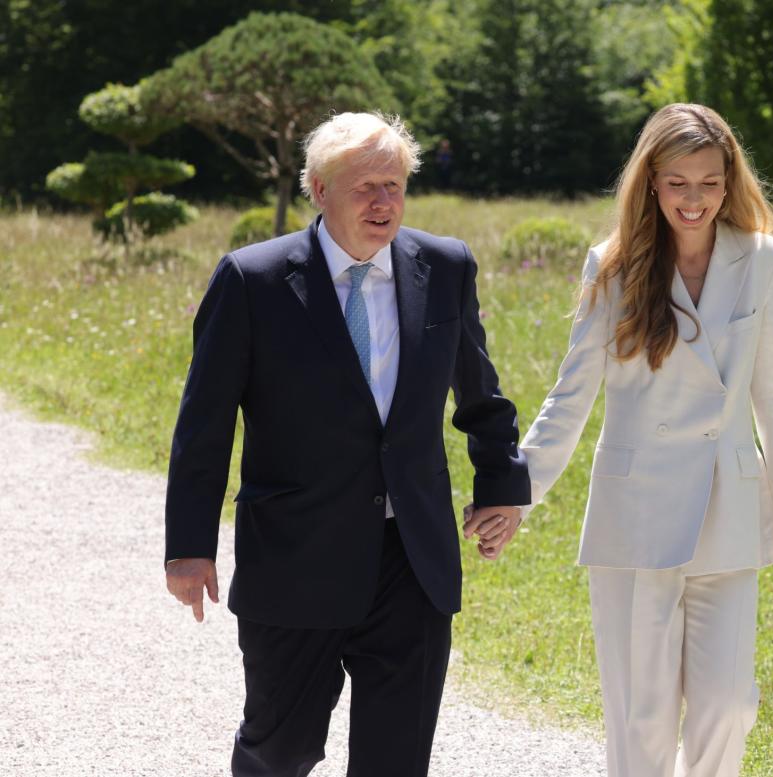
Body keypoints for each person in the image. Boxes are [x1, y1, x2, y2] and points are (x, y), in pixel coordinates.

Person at [163, 112, 529, 777]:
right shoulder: (253, 280)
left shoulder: (444, 267)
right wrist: (189, 545)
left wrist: (501, 486)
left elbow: (480, 390)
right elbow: (204, 424)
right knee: (282, 746)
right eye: (364, 187)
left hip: (411, 558)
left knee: (396, 758)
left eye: (393, 184)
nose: (382, 202)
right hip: (296, 555)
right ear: (318, 189)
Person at [515, 103, 773, 777]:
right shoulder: (612, 264)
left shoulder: (764, 259)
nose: (694, 198)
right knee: (641, 719)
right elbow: (571, 394)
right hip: (636, 515)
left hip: (728, 511)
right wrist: (516, 493)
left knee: (729, 705)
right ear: (651, 181)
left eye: (709, 182)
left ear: (729, 179)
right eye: (678, 182)